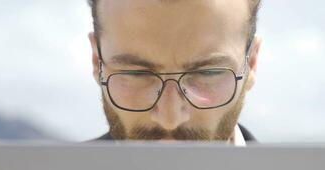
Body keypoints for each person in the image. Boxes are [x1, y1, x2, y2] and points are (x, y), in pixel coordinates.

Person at [87, 0, 262, 144]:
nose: (169, 120)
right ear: (97, 61)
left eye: (207, 73)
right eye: (136, 73)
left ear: (251, 63)